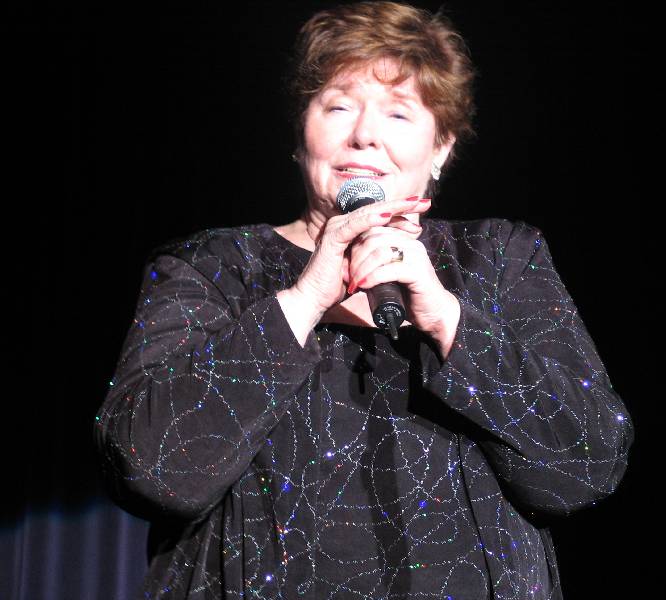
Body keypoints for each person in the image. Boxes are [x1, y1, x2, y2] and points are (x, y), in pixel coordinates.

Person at [94, 2, 633, 598]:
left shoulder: (500, 258)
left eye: (399, 113)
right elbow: (152, 471)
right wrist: (302, 301)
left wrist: (448, 319)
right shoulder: (214, 267)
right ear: (301, 136)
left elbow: (587, 465)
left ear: (441, 148)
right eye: (339, 106)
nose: (365, 135)